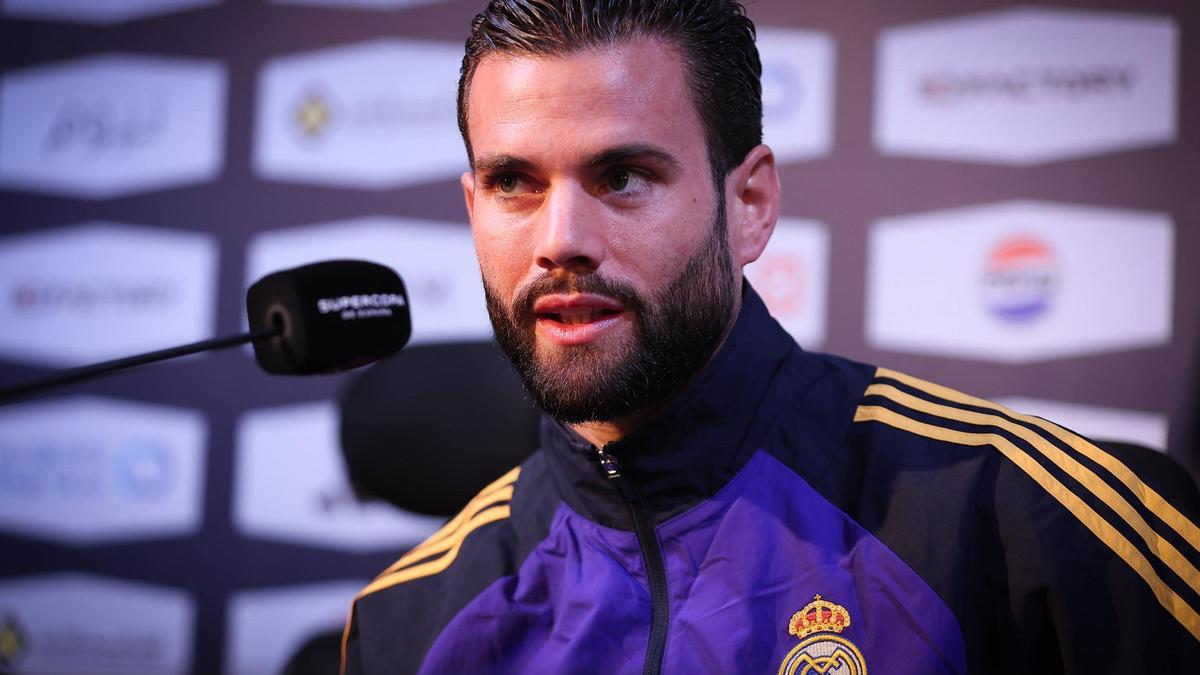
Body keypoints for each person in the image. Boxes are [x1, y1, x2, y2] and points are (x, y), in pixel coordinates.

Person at [340, 1, 1200, 672]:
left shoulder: (1027, 523)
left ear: (749, 204)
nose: (559, 237)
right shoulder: (404, 621)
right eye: (513, 183)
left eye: (623, 175)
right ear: (472, 206)